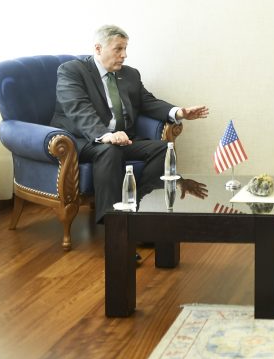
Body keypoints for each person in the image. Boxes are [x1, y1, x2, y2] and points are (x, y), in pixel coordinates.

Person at [51, 25, 210, 223]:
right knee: (110, 150)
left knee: (163, 149)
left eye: (125, 48)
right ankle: (113, 224)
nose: (124, 55)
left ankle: (140, 210)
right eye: (118, 49)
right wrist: (105, 135)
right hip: (84, 140)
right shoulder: (72, 70)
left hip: (123, 139)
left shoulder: (130, 74)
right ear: (98, 49)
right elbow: (78, 109)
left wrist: (178, 112)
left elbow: (148, 102)